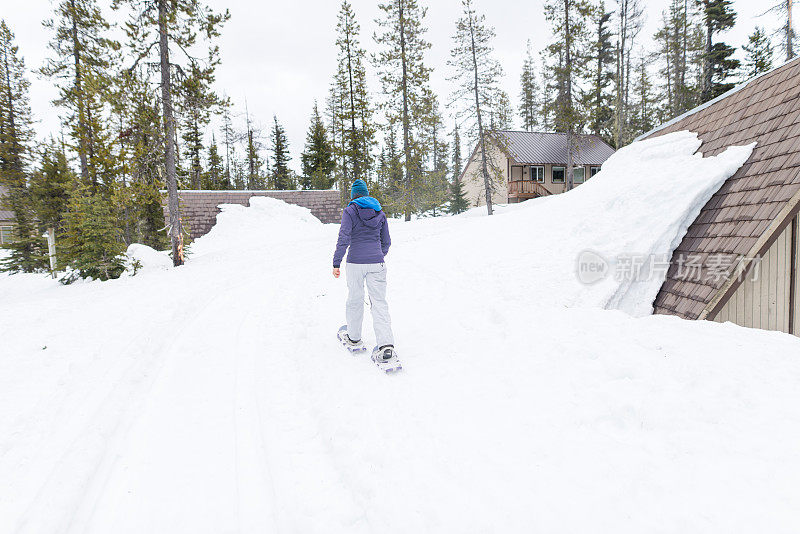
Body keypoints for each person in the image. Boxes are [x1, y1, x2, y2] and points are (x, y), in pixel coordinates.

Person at [333, 179, 396, 362]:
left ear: (354, 195)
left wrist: (336, 263)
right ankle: (386, 346)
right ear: (366, 194)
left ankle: (353, 337)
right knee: (379, 303)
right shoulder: (379, 211)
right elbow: (387, 242)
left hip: (355, 263)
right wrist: (377, 255)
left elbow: (344, 237)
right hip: (377, 263)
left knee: (355, 299)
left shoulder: (350, 211)